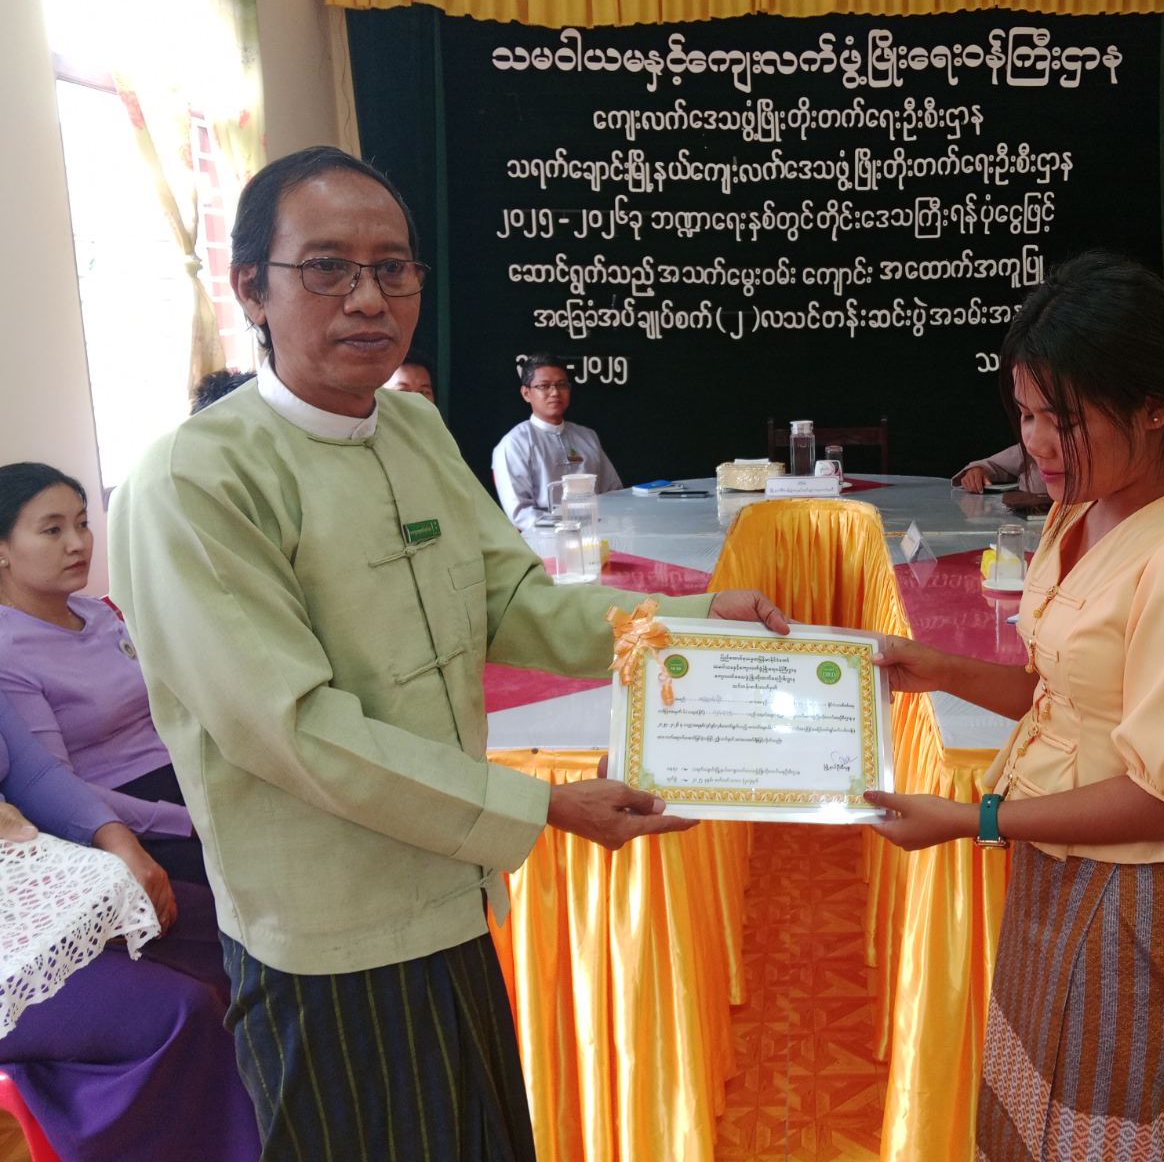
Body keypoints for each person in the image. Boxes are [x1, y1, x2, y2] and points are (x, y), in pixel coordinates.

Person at [106, 144, 786, 1160]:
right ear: (251, 286)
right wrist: (544, 806)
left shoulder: (413, 427)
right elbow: (295, 731)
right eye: (327, 267)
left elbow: (510, 598)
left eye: (393, 267)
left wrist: (690, 625)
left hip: (454, 897)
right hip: (331, 935)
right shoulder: (193, 483)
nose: (368, 298)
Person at [865, 252, 1164, 1161]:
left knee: (1096, 1138)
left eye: (1066, 419)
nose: (1039, 443)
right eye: (1026, 413)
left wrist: (973, 819)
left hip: (1139, 898)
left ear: (1156, 408)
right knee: (1024, 1118)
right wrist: (938, 667)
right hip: (1056, 867)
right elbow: (1063, 698)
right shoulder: (1079, 510)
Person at [0, 690, 261, 1162]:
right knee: (176, 1011)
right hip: (13, 955)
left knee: (230, 940)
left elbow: (32, 772)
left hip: (36, 902)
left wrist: (119, 842)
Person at [0, 463, 202, 884]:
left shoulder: (97, 612)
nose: (78, 544)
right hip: (125, 812)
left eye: (82, 524)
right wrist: (184, 819)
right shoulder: (9, 650)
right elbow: (50, 784)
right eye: (52, 530)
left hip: (186, 772)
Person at [491, 353, 623, 531]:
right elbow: (520, 514)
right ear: (526, 393)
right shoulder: (514, 443)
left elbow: (613, 493)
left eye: (562, 385)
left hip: (596, 533)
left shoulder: (587, 436)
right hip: (543, 537)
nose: (555, 393)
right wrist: (568, 528)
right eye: (544, 386)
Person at [953, 443, 1047, 494]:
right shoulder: (1028, 448)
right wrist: (978, 470)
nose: (1034, 438)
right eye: (1029, 417)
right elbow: (995, 465)